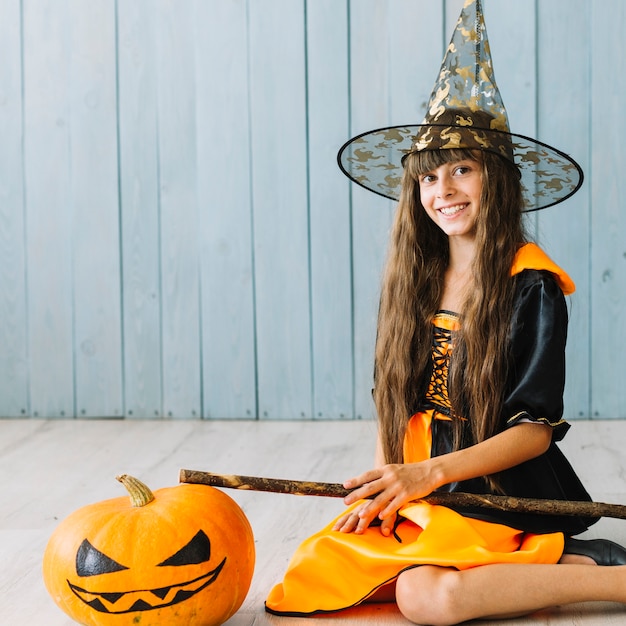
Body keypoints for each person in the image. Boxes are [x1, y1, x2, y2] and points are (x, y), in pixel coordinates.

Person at [265, 1, 626, 623]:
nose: (445, 191)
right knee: (315, 575)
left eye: (463, 169)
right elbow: (402, 402)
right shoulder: (417, 279)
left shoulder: (528, 283)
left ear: (499, 181)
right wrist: (392, 482)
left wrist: (426, 474)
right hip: (427, 486)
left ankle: (602, 578)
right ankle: (558, 561)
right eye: (430, 178)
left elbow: (533, 431)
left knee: (426, 596)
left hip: (494, 491)